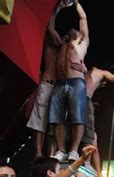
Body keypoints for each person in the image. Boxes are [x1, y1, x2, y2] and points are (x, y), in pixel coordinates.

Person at [49, 0, 90, 161]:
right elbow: (50, 27)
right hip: (60, 83)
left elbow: (83, 18)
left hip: (76, 83)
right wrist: (58, 7)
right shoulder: (62, 44)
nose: (71, 28)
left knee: (77, 117)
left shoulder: (81, 42)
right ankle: (60, 150)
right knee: (56, 118)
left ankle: (73, 150)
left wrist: (76, 3)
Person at [26, 1, 66, 158]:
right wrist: (58, 8)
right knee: (39, 122)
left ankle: (51, 154)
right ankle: (38, 153)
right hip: (47, 85)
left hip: (58, 88)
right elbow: (50, 26)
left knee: (54, 124)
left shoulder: (67, 55)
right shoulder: (53, 47)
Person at [82, 64, 114, 173]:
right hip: (84, 101)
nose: (104, 84)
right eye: (105, 82)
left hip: (74, 99)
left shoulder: (85, 73)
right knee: (91, 137)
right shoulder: (101, 73)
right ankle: (87, 164)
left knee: (89, 135)